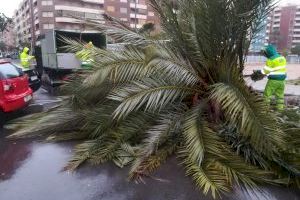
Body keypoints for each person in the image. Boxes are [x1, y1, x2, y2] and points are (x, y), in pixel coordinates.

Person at [261, 45, 287, 111]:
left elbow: (265, 71)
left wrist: (260, 72)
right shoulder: (282, 58)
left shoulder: (270, 60)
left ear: (268, 53)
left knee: (267, 95)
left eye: (266, 53)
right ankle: (280, 109)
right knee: (280, 95)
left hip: (273, 80)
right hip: (282, 81)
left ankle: (265, 109)